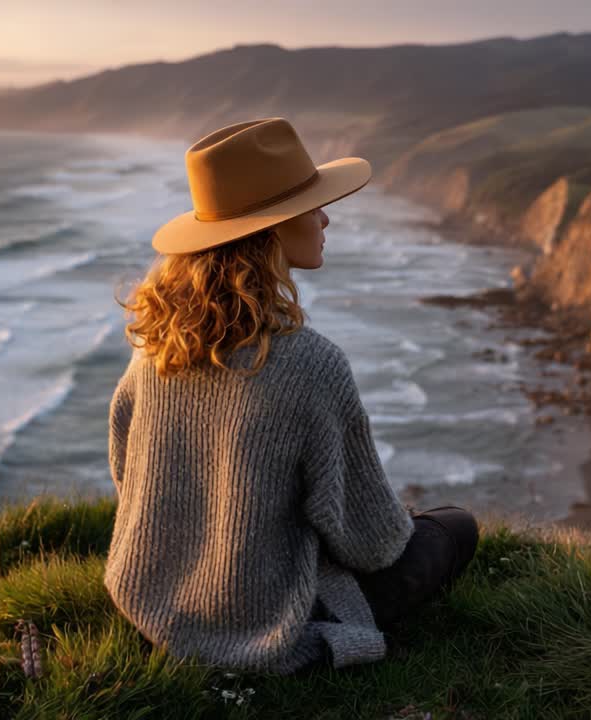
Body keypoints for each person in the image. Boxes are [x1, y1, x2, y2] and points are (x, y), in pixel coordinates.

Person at [103, 117, 479, 675]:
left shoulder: (155, 347)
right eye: (313, 205)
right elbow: (372, 544)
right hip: (264, 620)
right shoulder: (311, 364)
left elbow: (125, 474)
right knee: (453, 527)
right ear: (274, 229)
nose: (326, 218)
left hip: (153, 604)